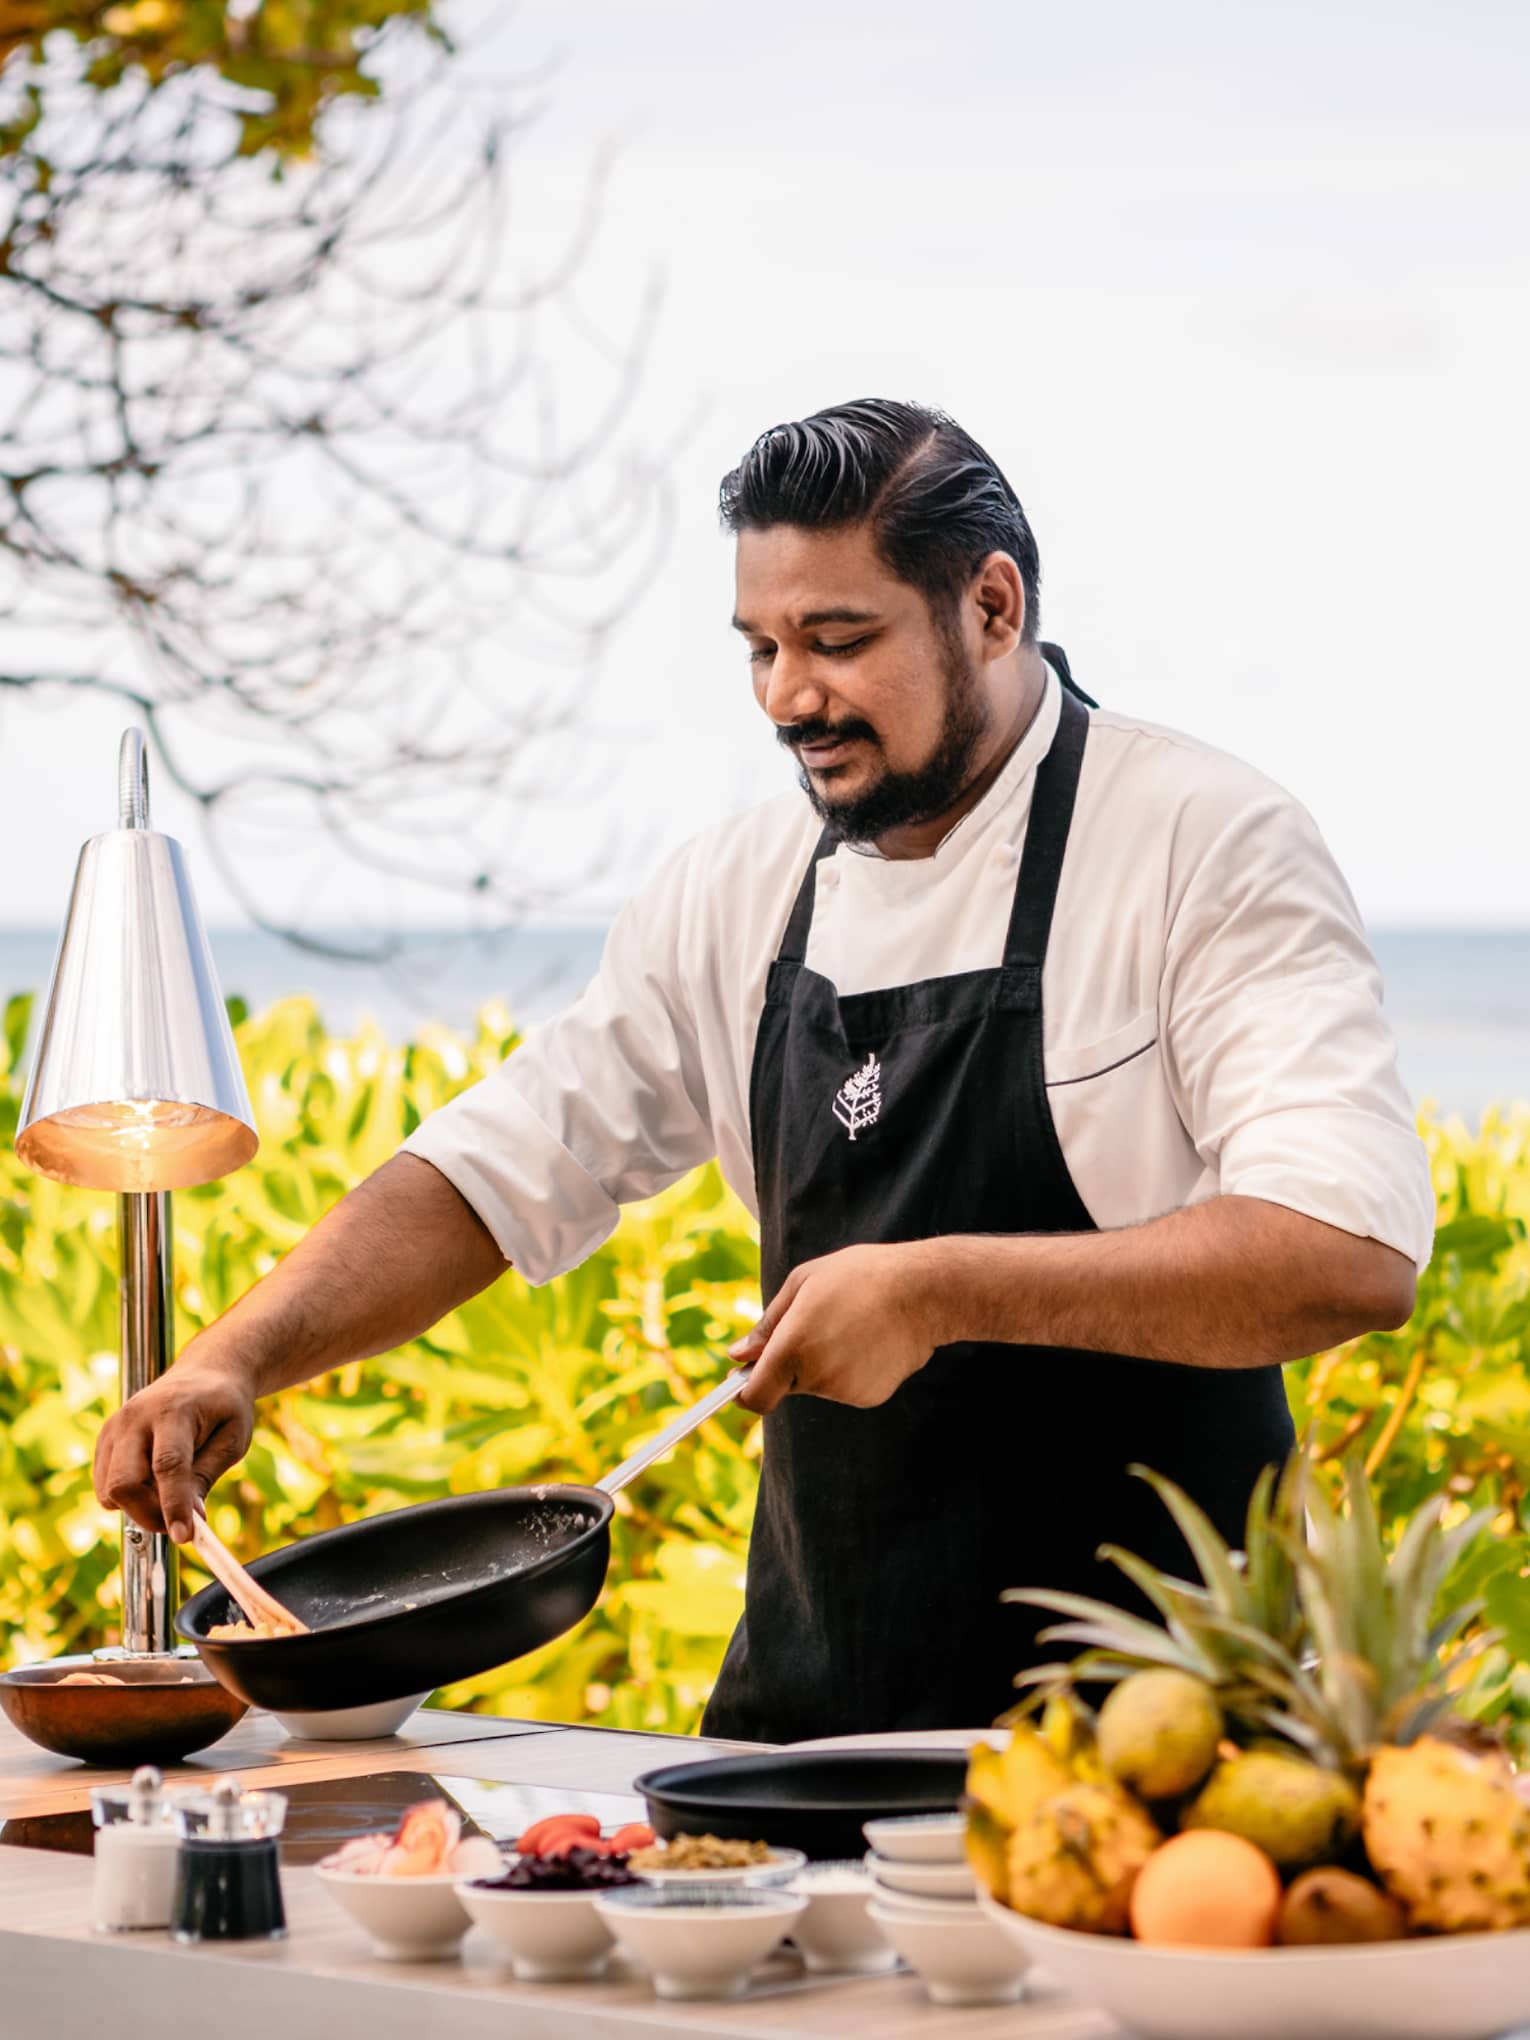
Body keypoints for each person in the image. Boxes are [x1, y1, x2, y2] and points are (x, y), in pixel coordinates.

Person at [94, 399, 1433, 1742]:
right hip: (803, 1750)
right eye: (763, 648)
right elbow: (498, 1170)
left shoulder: (1201, 842)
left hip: (1166, 1765)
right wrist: (237, 1356)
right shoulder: (732, 892)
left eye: (840, 641)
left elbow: (1343, 1250)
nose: (792, 695)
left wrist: (938, 1288)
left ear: (989, 605)